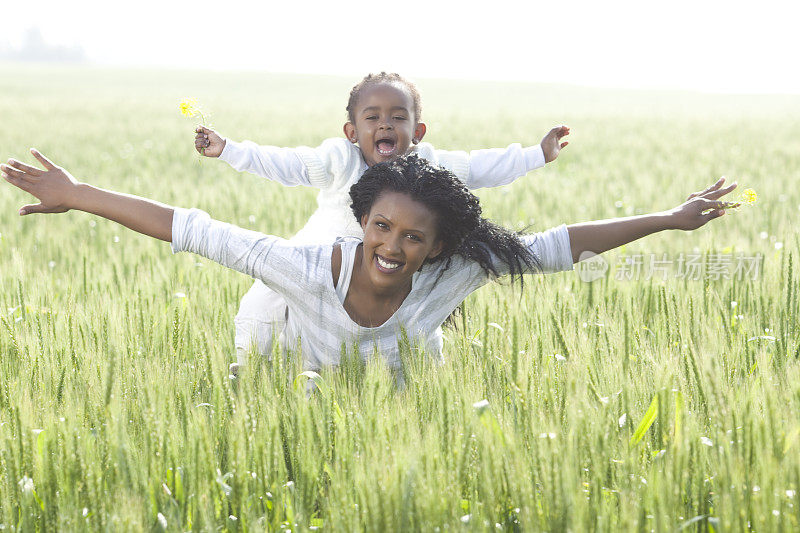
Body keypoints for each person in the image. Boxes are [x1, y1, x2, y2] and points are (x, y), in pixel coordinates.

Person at [2, 151, 735, 381]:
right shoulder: (304, 266)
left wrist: (668, 219)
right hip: (314, 410)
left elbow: (560, 243)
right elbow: (193, 229)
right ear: (362, 222)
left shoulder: (456, 274)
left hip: (410, 419)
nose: (392, 244)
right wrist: (79, 195)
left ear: (439, 248)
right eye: (381, 225)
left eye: (414, 237)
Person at [193, 72, 571, 369]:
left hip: (390, 274)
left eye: (398, 117)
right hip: (318, 269)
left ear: (418, 132)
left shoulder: (430, 167)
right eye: (372, 117)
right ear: (352, 132)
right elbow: (286, 164)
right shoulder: (339, 161)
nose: (385, 125)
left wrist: (537, 154)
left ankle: (420, 393)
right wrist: (229, 149)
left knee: (418, 333)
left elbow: (480, 168)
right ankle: (251, 370)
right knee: (266, 309)